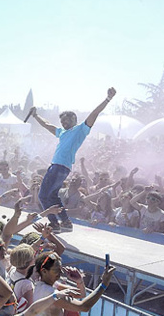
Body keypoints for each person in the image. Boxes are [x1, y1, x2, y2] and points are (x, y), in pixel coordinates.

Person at [30, 87, 116, 232]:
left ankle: (55, 224)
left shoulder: (80, 129)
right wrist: (35, 115)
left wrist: (107, 99)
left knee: (43, 195)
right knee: (53, 196)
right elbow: (47, 125)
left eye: (67, 120)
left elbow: (94, 113)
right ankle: (66, 222)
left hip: (59, 166)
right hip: (61, 167)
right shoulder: (61, 132)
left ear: (74, 120)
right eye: (62, 121)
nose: (64, 123)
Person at [30, 252, 115, 316]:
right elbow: (83, 306)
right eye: (56, 270)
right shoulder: (48, 292)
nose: (61, 272)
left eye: (60, 268)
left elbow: (80, 294)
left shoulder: (50, 284)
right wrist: (103, 284)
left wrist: (79, 281)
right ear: (44, 271)